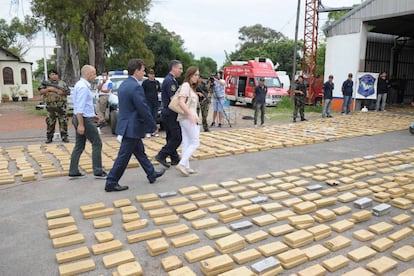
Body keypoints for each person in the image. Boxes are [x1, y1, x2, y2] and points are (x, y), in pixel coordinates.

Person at [105, 59, 165, 192]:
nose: (144, 73)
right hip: (132, 126)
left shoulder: (124, 85)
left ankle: (151, 173)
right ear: (136, 71)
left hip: (127, 124)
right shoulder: (136, 86)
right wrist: (152, 125)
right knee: (124, 156)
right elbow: (142, 108)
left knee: (140, 152)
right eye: (143, 70)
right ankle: (111, 181)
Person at [68, 65, 107, 179]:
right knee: (97, 143)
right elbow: (80, 107)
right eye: (94, 74)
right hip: (83, 119)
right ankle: (98, 170)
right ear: (88, 74)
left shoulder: (80, 85)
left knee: (79, 145)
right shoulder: (83, 87)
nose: (95, 76)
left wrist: (92, 115)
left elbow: (83, 106)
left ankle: (73, 170)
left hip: (82, 117)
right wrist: (81, 124)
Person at [154, 60, 183, 168]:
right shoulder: (170, 81)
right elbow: (173, 99)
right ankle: (161, 155)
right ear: (173, 68)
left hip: (167, 112)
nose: (181, 71)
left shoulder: (170, 80)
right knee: (177, 137)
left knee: (171, 137)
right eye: (180, 68)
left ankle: (174, 158)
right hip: (171, 112)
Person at [175, 66, 200, 176]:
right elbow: (181, 102)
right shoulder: (185, 85)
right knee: (195, 142)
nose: (197, 77)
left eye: (198, 75)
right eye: (195, 75)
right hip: (188, 118)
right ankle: (182, 163)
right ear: (189, 75)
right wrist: (190, 114)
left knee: (187, 142)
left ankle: (186, 166)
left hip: (186, 118)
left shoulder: (189, 87)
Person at [38, 69, 71, 143]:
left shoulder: (62, 83)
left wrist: (58, 91)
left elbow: (68, 92)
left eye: (55, 74)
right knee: (50, 122)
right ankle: (49, 137)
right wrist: (49, 89)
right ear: (49, 75)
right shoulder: (46, 84)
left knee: (63, 122)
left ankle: (64, 136)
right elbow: (41, 91)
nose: (54, 76)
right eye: (52, 74)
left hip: (61, 106)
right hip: (51, 107)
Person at [142, 69, 161, 138]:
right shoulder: (145, 82)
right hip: (148, 102)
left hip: (155, 102)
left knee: (154, 116)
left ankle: (154, 131)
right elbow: (142, 92)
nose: (152, 75)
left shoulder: (156, 82)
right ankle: (147, 131)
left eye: (153, 74)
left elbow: (159, 91)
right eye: (151, 74)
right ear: (148, 75)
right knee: (148, 116)